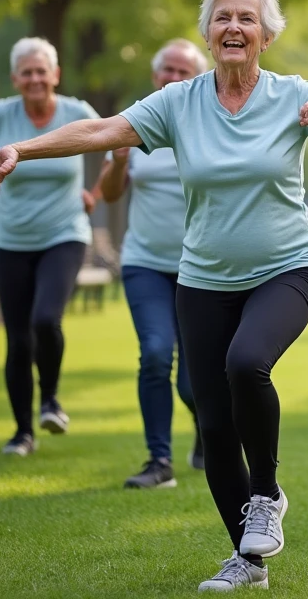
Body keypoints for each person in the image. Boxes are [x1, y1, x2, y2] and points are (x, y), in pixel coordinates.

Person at [0, 0, 308, 593]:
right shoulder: (179, 102)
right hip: (204, 277)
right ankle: (248, 562)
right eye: (222, 17)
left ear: (265, 35)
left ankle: (267, 495)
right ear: (208, 33)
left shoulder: (295, 94)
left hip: (285, 267)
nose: (233, 27)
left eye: (246, 18)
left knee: (247, 364)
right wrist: (21, 150)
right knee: (212, 420)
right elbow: (100, 131)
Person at [0, 37, 100, 457]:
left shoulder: (77, 112)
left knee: (45, 319)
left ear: (55, 75)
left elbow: (112, 140)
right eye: (27, 72)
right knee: (18, 339)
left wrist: (94, 192)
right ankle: (23, 432)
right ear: (15, 79)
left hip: (66, 234)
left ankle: (51, 399)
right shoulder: (0, 116)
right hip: (11, 238)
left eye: (42, 71)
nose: (36, 79)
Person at [97, 39, 207, 488]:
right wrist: (119, 162)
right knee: (157, 354)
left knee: (193, 381)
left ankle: (206, 427)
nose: (175, 78)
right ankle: (159, 461)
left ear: (198, 77)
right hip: (144, 262)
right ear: (154, 76)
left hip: (201, 267)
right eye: (168, 71)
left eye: (185, 72)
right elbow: (108, 193)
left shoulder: (210, 121)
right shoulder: (137, 121)